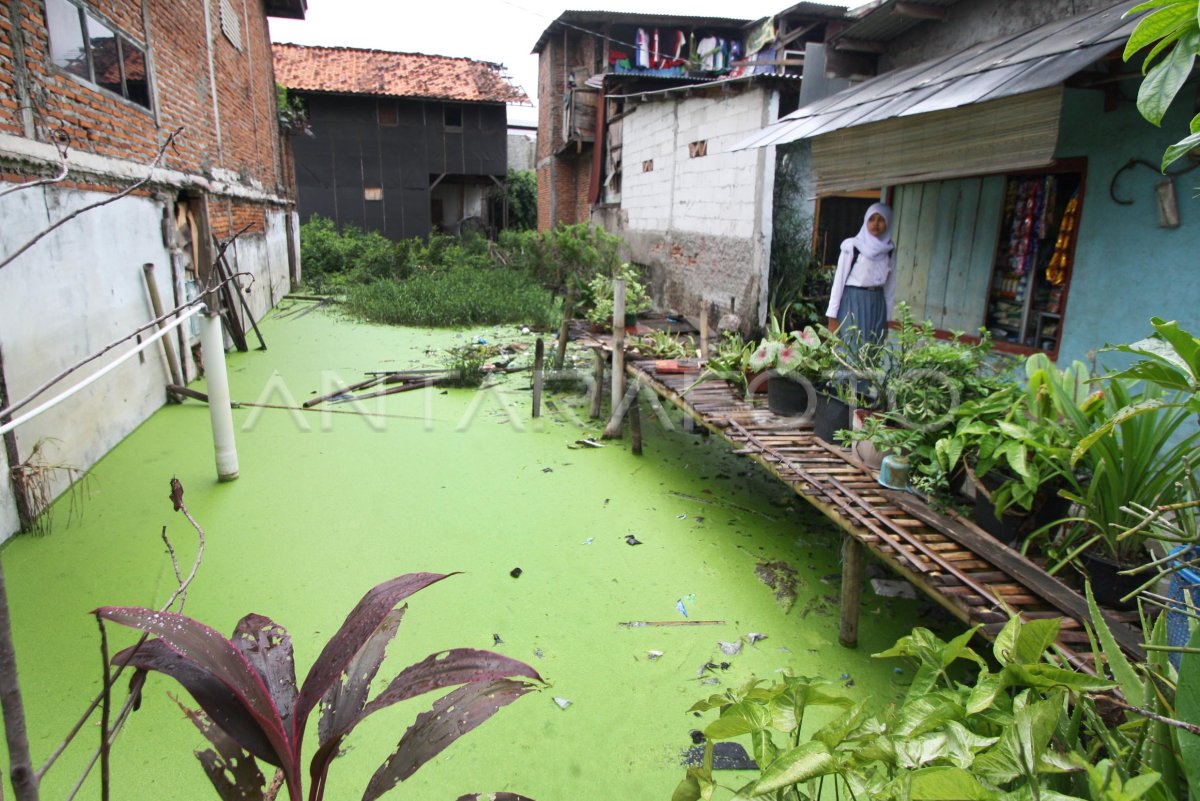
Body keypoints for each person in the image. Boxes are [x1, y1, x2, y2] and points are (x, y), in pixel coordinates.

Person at [825, 202, 896, 349]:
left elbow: (890, 289)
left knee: (872, 350)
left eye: (881, 219)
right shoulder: (852, 247)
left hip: (877, 303)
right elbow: (838, 283)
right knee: (851, 348)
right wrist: (832, 317)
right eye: (871, 219)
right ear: (865, 221)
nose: (875, 224)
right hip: (853, 302)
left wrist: (887, 319)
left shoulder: (889, 250)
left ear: (888, 222)